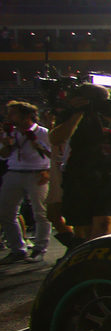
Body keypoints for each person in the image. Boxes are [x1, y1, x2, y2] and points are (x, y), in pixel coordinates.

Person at [49, 84, 111, 241]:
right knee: (83, 226)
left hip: (109, 174)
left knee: (104, 222)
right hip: (79, 172)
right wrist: (77, 114)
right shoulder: (72, 113)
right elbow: (56, 138)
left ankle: (98, 256)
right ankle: (82, 252)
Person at [0, 101, 51, 263]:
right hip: (13, 172)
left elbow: (55, 154)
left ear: (27, 115)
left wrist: (48, 171)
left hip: (38, 173)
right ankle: (17, 249)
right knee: (6, 213)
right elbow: (3, 155)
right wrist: (5, 144)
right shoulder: (10, 133)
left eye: (13, 113)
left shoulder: (43, 133)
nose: (9, 117)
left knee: (41, 213)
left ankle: (39, 249)